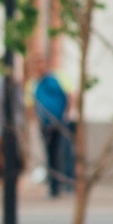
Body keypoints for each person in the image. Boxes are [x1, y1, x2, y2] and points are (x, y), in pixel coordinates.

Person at [34, 69, 74, 198]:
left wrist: (65, 115)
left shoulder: (57, 79)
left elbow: (69, 96)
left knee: (63, 153)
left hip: (59, 122)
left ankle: (66, 184)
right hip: (45, 124)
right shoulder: (36, 84)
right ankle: (53, 187)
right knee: (50, 155)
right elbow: (33, 103)